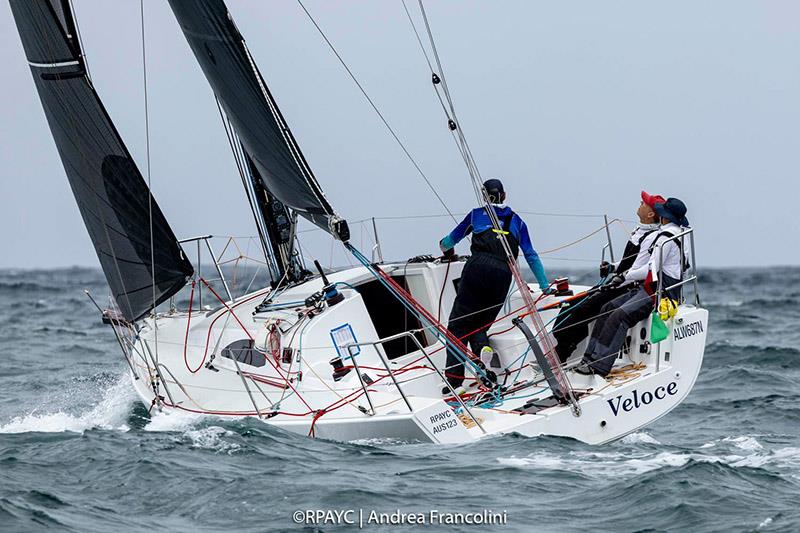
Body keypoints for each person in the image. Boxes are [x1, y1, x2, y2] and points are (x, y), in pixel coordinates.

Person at [439, 178, 550, 391]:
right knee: (480, 325)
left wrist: (447, 251)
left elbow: (448, 242)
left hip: (477, 268)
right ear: (505, 195)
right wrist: (545, 286)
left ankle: (454, 382)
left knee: (457, 325)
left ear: (484, 196)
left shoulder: (476, 215)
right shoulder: (517, 221)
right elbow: (531, 256)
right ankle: (485, 369)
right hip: (502, 274)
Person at [574, 198, 690, 377]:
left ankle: (598, 366)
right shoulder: (679, 234)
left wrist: (623, 277)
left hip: (659, 294)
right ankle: (588, 359)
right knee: (607, 308)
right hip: (654, 289)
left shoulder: (665, 239)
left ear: (665, 217)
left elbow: (650, 270)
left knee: (619, 316)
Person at [553, 191, 665, 364]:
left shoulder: (651, 237)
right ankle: (561, 350)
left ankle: (561, 355)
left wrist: (617, 281)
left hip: (628, 287)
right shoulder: (639, 231)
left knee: (584, 308)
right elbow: (630, 262)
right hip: (620, 282)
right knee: (572, 304)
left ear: (650, 214)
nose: (640, 203)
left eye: (644, 203)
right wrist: (612, 267)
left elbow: (641, 268)